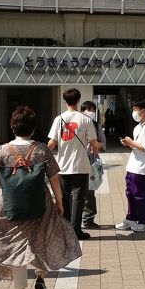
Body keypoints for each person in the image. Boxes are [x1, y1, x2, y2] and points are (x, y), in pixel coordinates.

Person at [0, 106, 81, 289]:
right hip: (40, 204)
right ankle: (40, 278)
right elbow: (54, 179)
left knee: (16, 249)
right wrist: (59, 202)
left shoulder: (3, 151)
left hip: (10, 206)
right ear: (33, 128)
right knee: (41, 242)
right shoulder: (41, 149)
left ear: (13, 127)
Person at [47, 89, 99, 240]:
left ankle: (65, 230)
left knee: (63, 198)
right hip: (81, 166)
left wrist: (42, 153)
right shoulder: (85, 120)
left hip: (62, 166)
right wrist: (94, 151)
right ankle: (76, 231)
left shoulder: (59, 119)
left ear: (65, 101)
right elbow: (94, 144)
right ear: (78, 100)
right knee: (78, 199)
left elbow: (52, 142)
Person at [115, 99, 145, 232]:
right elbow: (137, 147)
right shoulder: (138, 127)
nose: (133, 113)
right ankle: (131, 217)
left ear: (143, 111)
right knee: (130, 193)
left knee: (141, 195)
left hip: (144, 168)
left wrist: (131, 142)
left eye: (135, 110)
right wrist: (129, 143)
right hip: (133, 166)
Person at [80, 101, 106, 229]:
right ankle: (75, 218)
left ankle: (88, 219)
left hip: (91, 162)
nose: (89, 111)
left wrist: (96, 145)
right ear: (82, 110)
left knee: (89, 192)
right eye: (87, 109)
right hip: (77, 162)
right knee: (76, 192)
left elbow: (103, 143)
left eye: (92, 109)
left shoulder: (96, 125)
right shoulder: (76, 125)